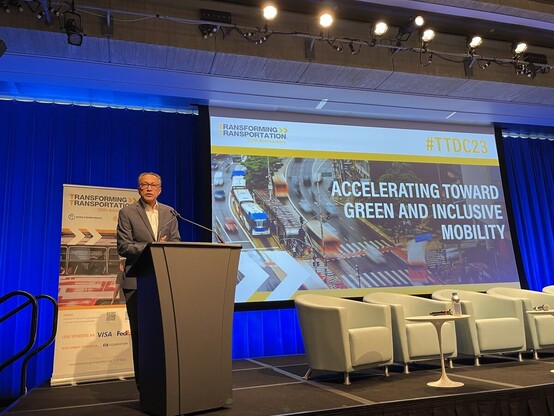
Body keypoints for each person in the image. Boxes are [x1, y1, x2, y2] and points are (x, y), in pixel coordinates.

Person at [116, 172, 181, 390]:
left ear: (160, 189)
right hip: (137, 281)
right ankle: (143, 385)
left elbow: (176, 242)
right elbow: (123, 247)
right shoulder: (127, 213)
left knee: (163, 334)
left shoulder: (169, 212)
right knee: (141, 335)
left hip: (164, 282)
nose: (149, 188)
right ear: (139, 189)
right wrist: (152, 247)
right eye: (144, 185)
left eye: (153, 185)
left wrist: (166, 247)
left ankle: (164, 382)